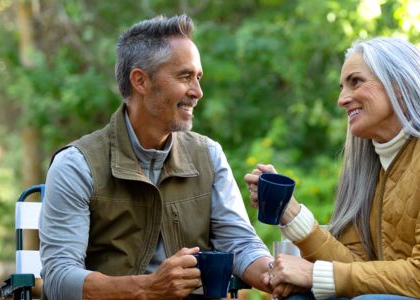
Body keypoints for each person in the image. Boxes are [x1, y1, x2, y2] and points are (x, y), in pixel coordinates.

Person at [245, 37, 420, 300]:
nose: (342, 99)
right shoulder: (379, 166)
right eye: (343, 86)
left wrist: (313, 275)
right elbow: (359, 270)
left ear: (399, 84)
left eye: (356, 82)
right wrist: (291, 214)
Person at [39, 14, 273, 300]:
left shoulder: (209, 155)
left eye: (198, 78)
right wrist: (147, 288)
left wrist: (273, 274)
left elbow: (240, 243)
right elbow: (59, 279)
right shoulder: (76, 165)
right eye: (185, 76)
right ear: (140, 81)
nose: (197, 92)